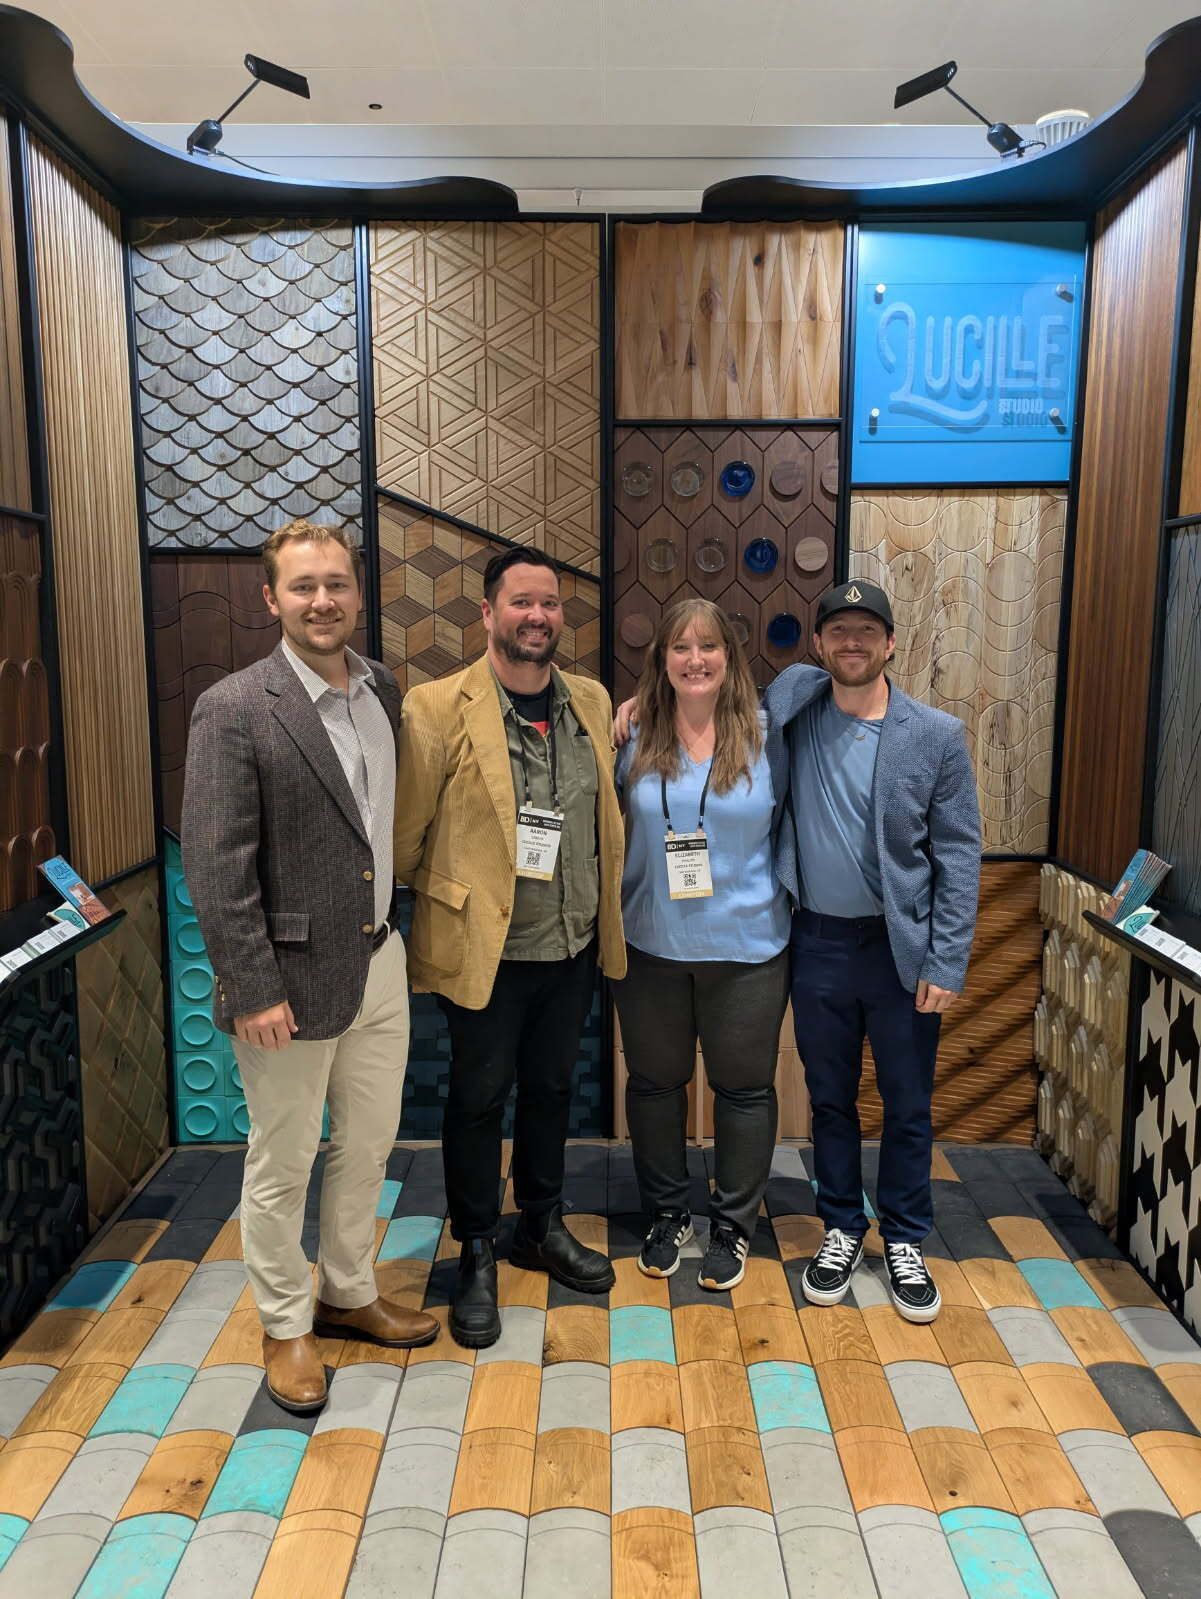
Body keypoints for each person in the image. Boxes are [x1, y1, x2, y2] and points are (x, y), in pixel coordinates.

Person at [182, 518, 437, 1414]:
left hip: (377, 960)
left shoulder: (381, 689)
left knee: (368, 1145)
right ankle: (285, 1325)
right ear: (271, 598)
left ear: (359, 593)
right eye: (302, 586)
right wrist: (250, 985)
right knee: (282, 1160)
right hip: (283, 985)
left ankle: (348, 1289)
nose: (322, 600)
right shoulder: (236, 707)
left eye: (336, 583)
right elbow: (215, 865)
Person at [394, 546, 626, 1348]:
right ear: (487, 613)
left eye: (550, 604)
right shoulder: (434, 706)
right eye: (521, 603)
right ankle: (476, 1249)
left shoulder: (590, 701)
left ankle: (541, 1221)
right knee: (476, 1099)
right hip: (481, 948)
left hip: (569, 941)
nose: (538, 616)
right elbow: (406, 832)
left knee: (554, 1088)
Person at [763, 580, 980, 1323]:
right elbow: (712, 700)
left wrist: (945, 961)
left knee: (908, 1103)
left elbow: (958, 855)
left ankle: (906, 1236)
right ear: (818, 644)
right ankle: (840, 1227)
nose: (851, 642)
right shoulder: (792, 702)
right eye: (838, 630)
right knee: (828, 1099)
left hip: (899, 951)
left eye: (867, 630)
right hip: (816, 940)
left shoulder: (935, 734)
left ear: (890, 643)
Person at [613, 598, 790, 1290]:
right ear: (661, 659)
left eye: (708, 646)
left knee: (742, 1090)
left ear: (730, 658)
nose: (695, 659)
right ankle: (666, 1212)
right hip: (651, 944)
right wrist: (628, 706)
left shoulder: (770, 734)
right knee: (655, 1086)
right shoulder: (632, 733)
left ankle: (732, 1224)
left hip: (747, 948)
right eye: (680, 647)